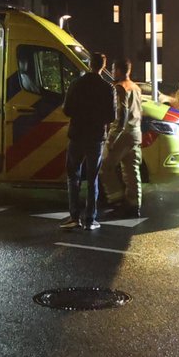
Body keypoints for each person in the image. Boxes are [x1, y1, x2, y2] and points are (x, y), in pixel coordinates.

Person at [60, 51, 116, 231]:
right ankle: (90, 219)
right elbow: (111, 116)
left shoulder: (76, 84)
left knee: (73, 176)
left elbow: (67, 110)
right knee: (92, 179)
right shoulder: (108, 88)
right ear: (103, 66)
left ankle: (74, 216)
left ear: (89, 64)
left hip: (77, 134)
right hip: (96, 137)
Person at [101, 59, 143, 217]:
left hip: (123, 134)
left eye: (113, 69)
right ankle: (134, 204)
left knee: (105, 166)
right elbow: (140, 111)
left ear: (119, 70)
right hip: (136, 133)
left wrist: (112, 138)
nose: (112, 72)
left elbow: (122, 113)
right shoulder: (136, 88)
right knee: (131, 170)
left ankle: (116, 199)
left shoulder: (120, 88)